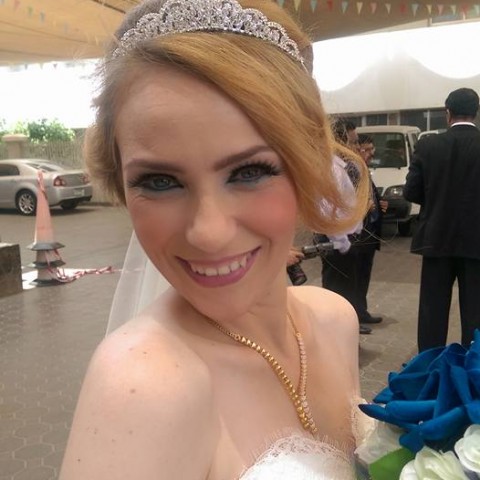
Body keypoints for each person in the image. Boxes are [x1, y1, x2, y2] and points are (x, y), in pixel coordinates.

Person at [59, 1, 371, 479]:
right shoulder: (143, 387)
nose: (208, 232)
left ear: (308, 164)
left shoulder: (334, 320)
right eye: (160, 181)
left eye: (249, 172)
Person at [404, 87, 480, 352]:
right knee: (476, 314)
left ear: (447, 113)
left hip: (436, 238)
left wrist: (436, 201)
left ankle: (429, 364)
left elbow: (411, 191)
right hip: (476, 243)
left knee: (432, 312)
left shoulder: (428, 145)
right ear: (476, 112)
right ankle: (473, 367)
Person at [320, 123, 383, 335]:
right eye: (353, 142)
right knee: (338, 293)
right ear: (340, 142)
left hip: (346, 238)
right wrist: (343, 242)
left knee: (346, 290)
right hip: (338, 241)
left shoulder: (342, 166)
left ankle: (347, 330)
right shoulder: (332, 169)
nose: (356, 147)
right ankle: (338, 336)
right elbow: (328, 211)